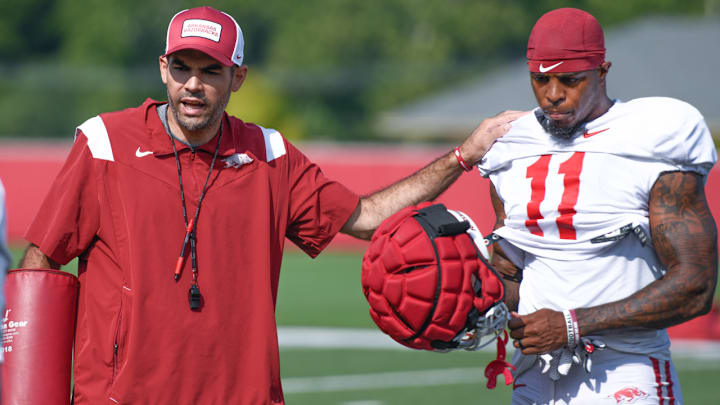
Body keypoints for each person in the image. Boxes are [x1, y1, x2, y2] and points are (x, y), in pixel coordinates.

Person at [17, 6, 522, 404]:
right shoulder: (105, 142)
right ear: (163, 70)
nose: (193, 84)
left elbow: (365, 218)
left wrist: (463, 155)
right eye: (181, 67)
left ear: (237, 78)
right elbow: (40, 262)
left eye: (210, 70)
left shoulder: (270, 155)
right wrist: (29, 392)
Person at [479, 7, 718, 404]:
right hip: (533, 371)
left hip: (624, 368)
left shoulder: (657, 132)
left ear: (602, 72)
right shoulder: (510, 145)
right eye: (540, 80)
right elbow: (511, 277)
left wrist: (573, 325)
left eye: (569, 80)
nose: (553, 94)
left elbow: (695, 285)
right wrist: (467, 297)